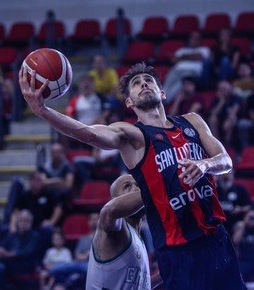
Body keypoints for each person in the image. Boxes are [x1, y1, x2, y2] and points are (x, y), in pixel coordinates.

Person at [19, 62, 246, 290]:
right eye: (136, 84)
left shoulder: (192, 121)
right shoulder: (131, 136)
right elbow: (89, 134)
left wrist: (205, 164)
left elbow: (225, 161)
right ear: (129, 102)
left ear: (162, 92)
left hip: (217, 238)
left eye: (149, 81)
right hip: (178, 248)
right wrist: (43, 111)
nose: (143, 84)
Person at [86, 174, 163, 290]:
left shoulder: (138, 237)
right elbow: (109, 211)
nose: (136, 189)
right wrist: (157, 189)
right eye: (127, 186)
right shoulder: (117, 226)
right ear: (114, 199)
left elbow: (142, 285)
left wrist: (167, 273)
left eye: (139, 185)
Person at [0, 209, 40, 290]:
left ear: (31, 222)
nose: (24, 223)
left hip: (26, 266)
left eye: (26, 220)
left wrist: (7, 254)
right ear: (18, 221)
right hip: (10, 265)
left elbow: (26, 252)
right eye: (21, 220)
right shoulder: (12, 235)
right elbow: (2, 246)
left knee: (0, 267)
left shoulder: (35, 236)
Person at [163, 31, 211, 103]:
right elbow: (174, 60)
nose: (194, 40)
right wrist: (189, 57)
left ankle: (166, 103)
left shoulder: (204, 49)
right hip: (176, 70)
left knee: (178, 85)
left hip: (191, 72)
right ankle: (160, 100)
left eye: (196, 38)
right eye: (192, 38)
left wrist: (182, 57)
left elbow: (198, 57)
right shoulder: (182, 50)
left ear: (200, 40)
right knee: (166, 85)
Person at [232, 209, 254, 282]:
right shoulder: (241, 227)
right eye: (250, 218)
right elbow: (235, 241)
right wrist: (244, 223)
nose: (252, 220)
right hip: (243, 262)